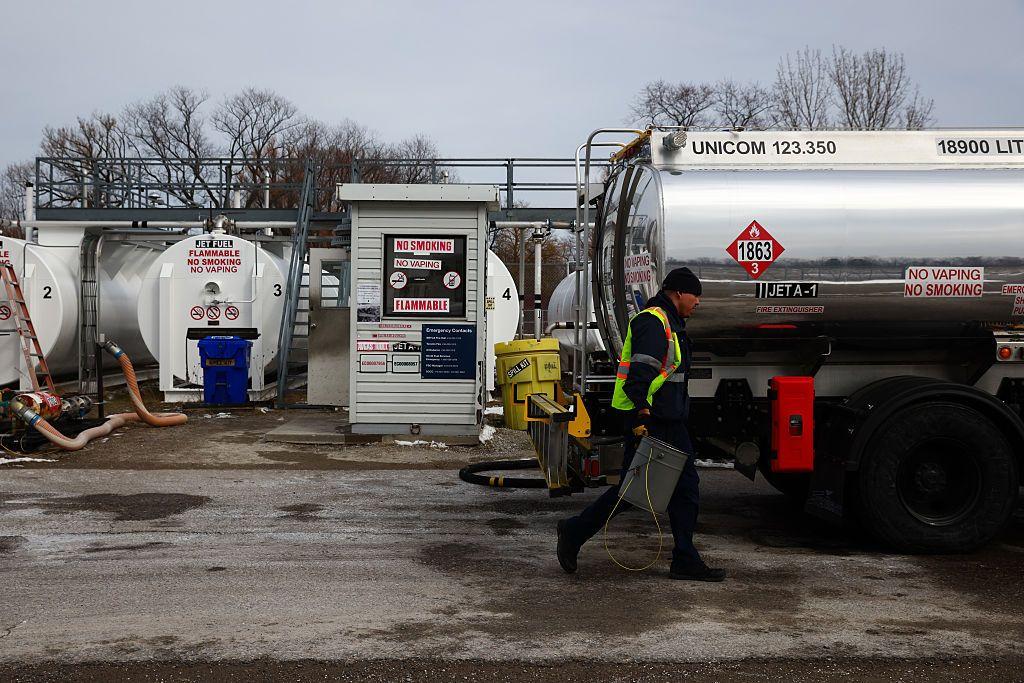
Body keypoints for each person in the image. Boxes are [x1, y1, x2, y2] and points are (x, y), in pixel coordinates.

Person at [556, 267, 726, 581]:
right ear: (678, 293)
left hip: (672, 423)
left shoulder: (672, 323)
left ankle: (685, 559)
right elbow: (639, 377)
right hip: (652, 422)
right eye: (695, 295)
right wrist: (640, 418)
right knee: (631, 494)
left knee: (686, 490)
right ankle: (574, 531)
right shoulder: (653, 322)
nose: (698, 301)